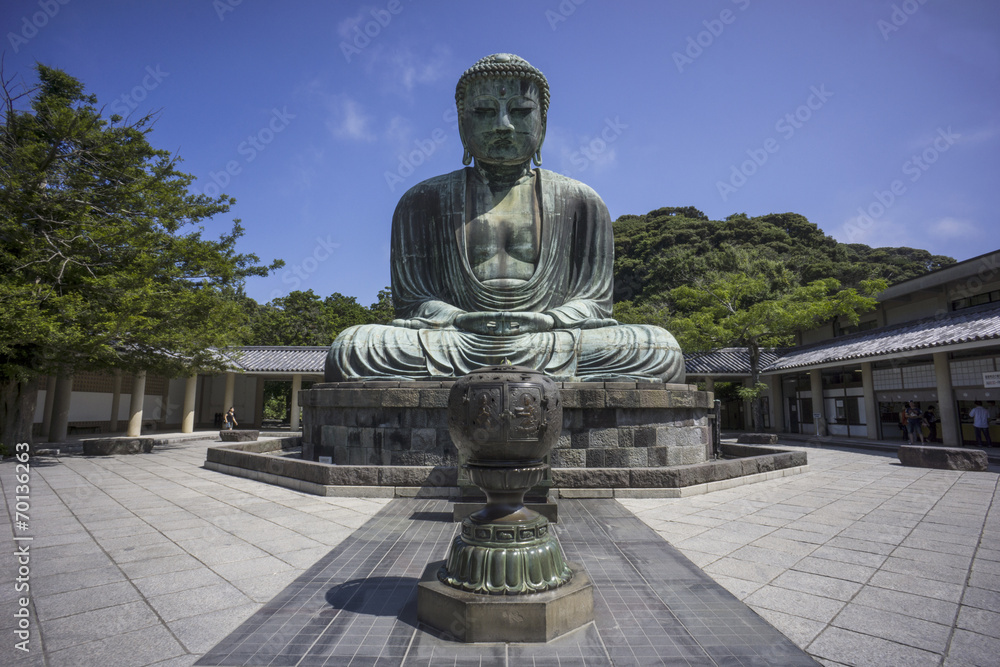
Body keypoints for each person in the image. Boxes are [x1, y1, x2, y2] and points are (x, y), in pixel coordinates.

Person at [325, 54, 684, 383]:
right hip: (457, 340)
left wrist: (550, 320)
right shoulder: (422, 201)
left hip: (549, 340)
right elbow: (413, 302)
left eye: (520, 111)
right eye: (483, 112)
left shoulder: (582, 201)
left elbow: (594, 303)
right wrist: (457, 318)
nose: (503, 125)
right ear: (462, 126)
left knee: (657, 348)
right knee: (355, 347)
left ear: (542, 122)